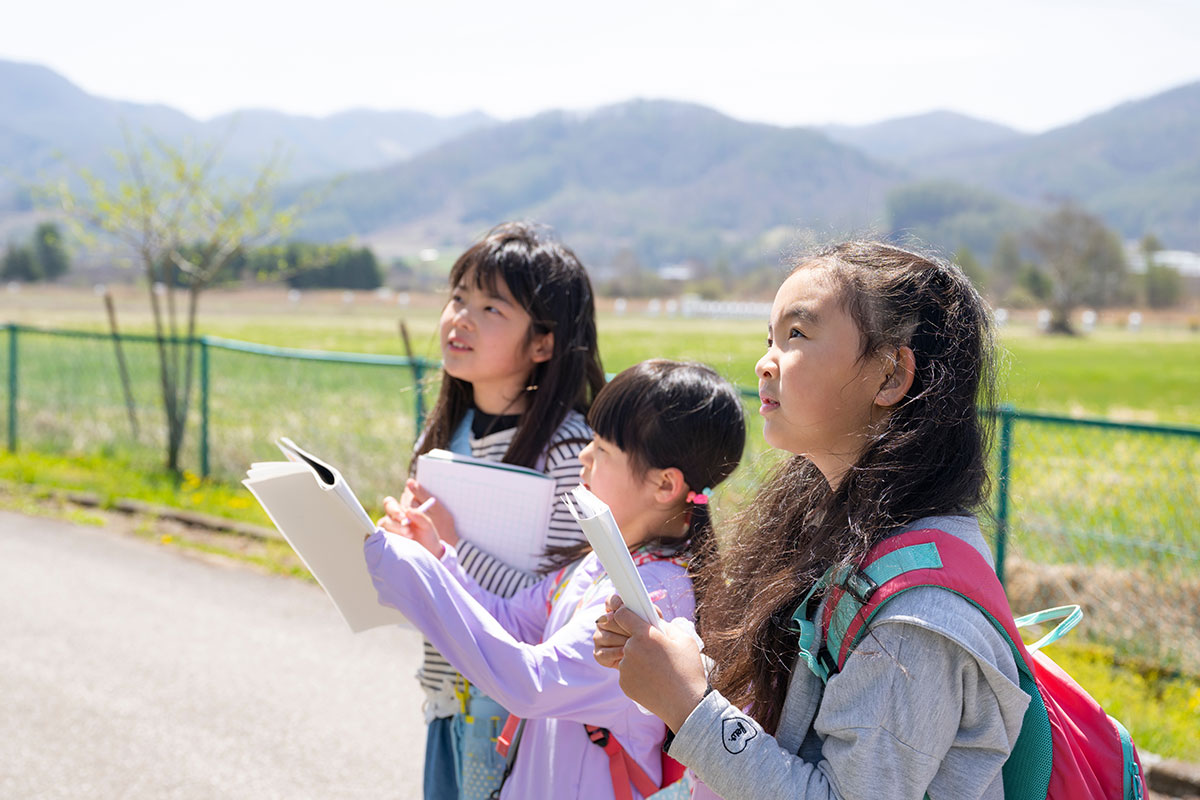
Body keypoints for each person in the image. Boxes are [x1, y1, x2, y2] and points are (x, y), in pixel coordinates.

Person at [594, 242, 1032, 799]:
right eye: (769, 338)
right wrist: (675, 668)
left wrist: (689, 706)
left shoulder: (915, 617)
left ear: (891, 375)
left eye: (796, 335)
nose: (765, 361)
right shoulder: (842, 535)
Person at [367, 360, 746, 800]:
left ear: (665, 485)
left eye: (603, 449)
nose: (584, 455)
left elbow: (532, 683)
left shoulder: (654, 599)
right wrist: (437, 555)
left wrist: (418, 573)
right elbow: (511, 620)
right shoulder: (602, 563)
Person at [387, 222, 604, 800]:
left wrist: (449, 553)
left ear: (543, 343)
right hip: (444, 696)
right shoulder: (445, 435)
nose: (460, 317)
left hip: (516, 720)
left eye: (490, 307)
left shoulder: (569, 452)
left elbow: (561, 600)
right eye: (458, 297)